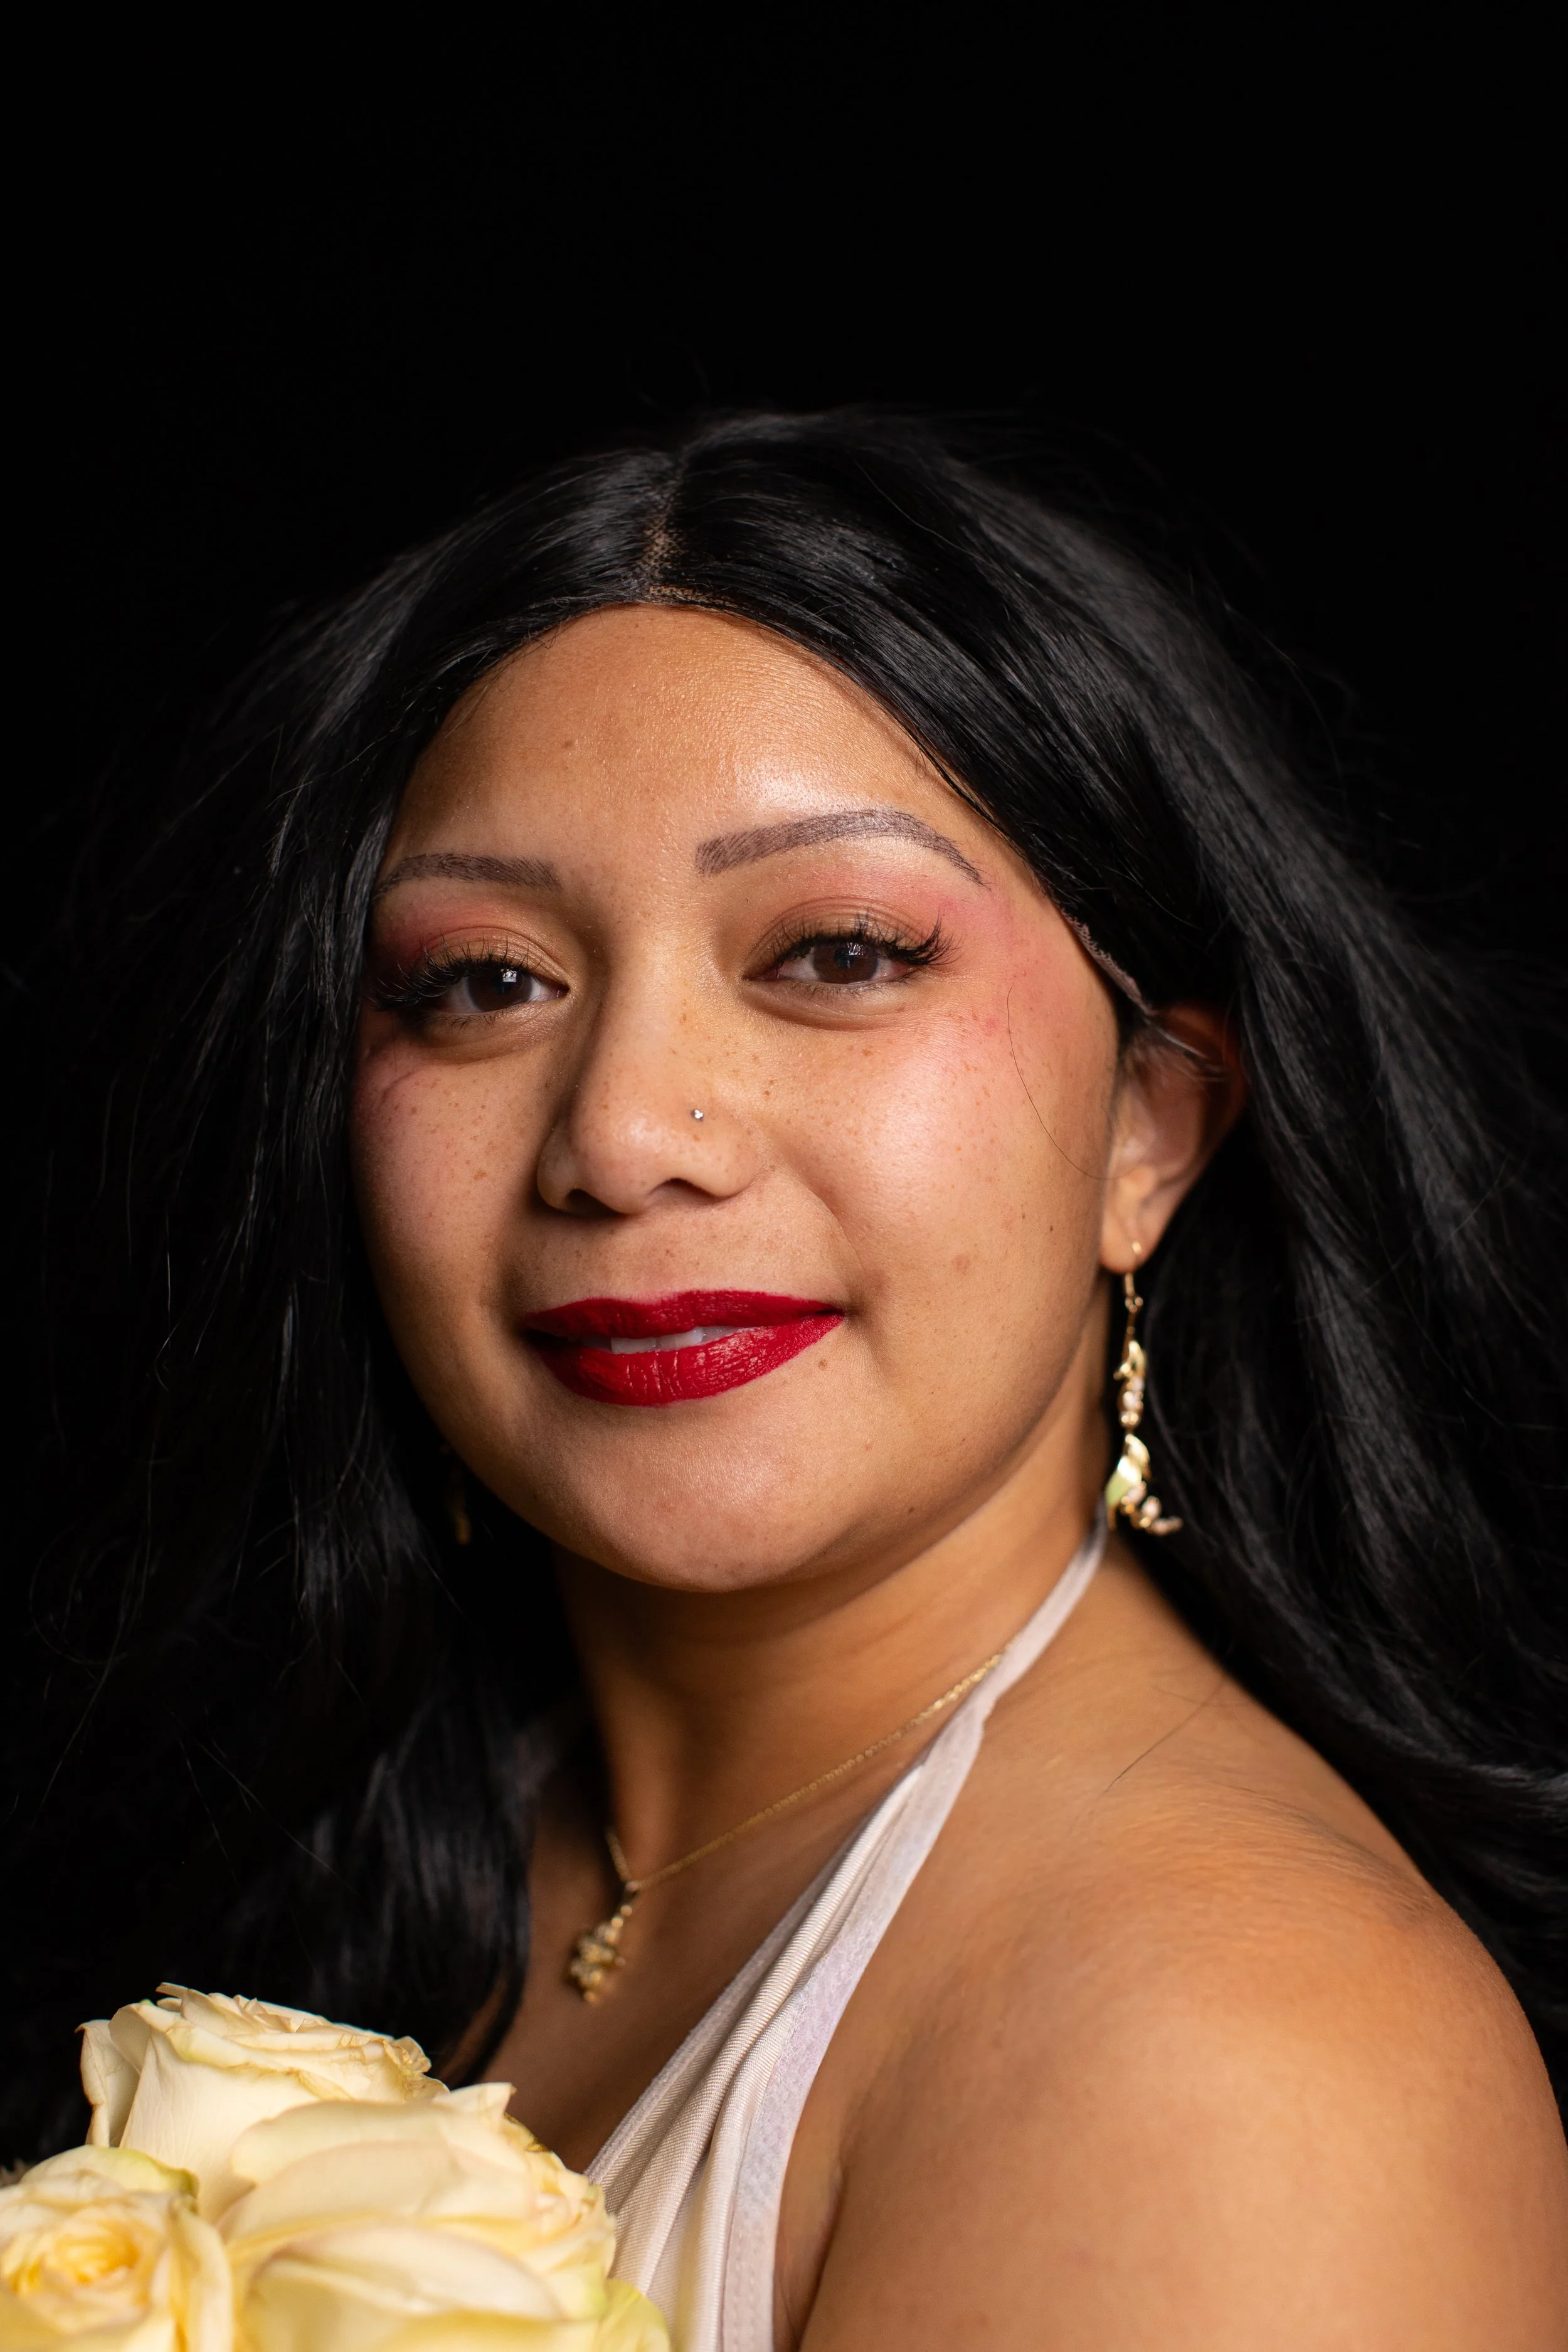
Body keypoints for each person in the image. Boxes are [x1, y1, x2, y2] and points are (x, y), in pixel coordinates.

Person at [8, 412, 1566, 2347]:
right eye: (483, 981)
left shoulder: (1238, 2060)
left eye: (835, 952)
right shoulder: (384, 1812)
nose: (623, 1132)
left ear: (1146, 1130)